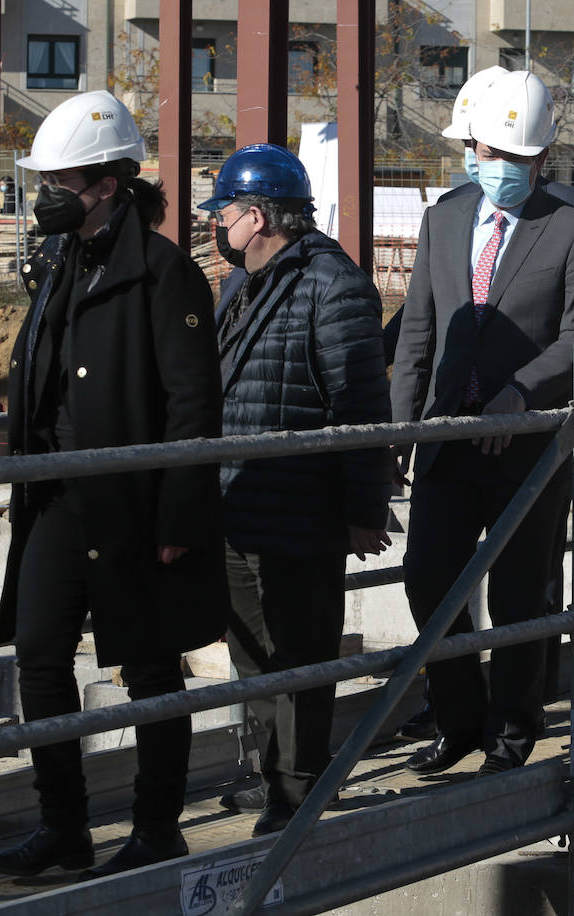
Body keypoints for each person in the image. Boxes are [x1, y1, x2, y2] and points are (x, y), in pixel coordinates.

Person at [0, 90, 227, 879]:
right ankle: (64, 825)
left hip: (132, 503)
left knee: (150, 667)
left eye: (62, 182)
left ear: (109, 185)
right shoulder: (59, 266)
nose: (47, 197)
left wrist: (178, 513)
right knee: (41, 657)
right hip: (56, 495)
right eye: (44, 181)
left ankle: (158, 827)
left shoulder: (163, 275)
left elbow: (194, 403)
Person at [391, 70, 574, 776]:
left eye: (518, 159)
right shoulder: (444, 218)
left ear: (543, 160)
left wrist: (520, 393)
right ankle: (457, 715)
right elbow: (417, 336)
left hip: (527, 448)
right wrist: (399, 435)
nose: (502, 169)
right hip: (448, 440)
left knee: (520, 592)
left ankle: (513, 729)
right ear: (472, 148)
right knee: (428, 579)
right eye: (491, 153)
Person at [198, 144, 392, 836]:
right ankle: (272, 775)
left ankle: (300, 787)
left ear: (255, 216)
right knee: (253, 652)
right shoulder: (239, 284)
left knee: (302, 651)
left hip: (300, 508)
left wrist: (365, 508)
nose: (215, 225)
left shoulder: (331, 283)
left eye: (222, 212)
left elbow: (360, 403)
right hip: (236, 502)